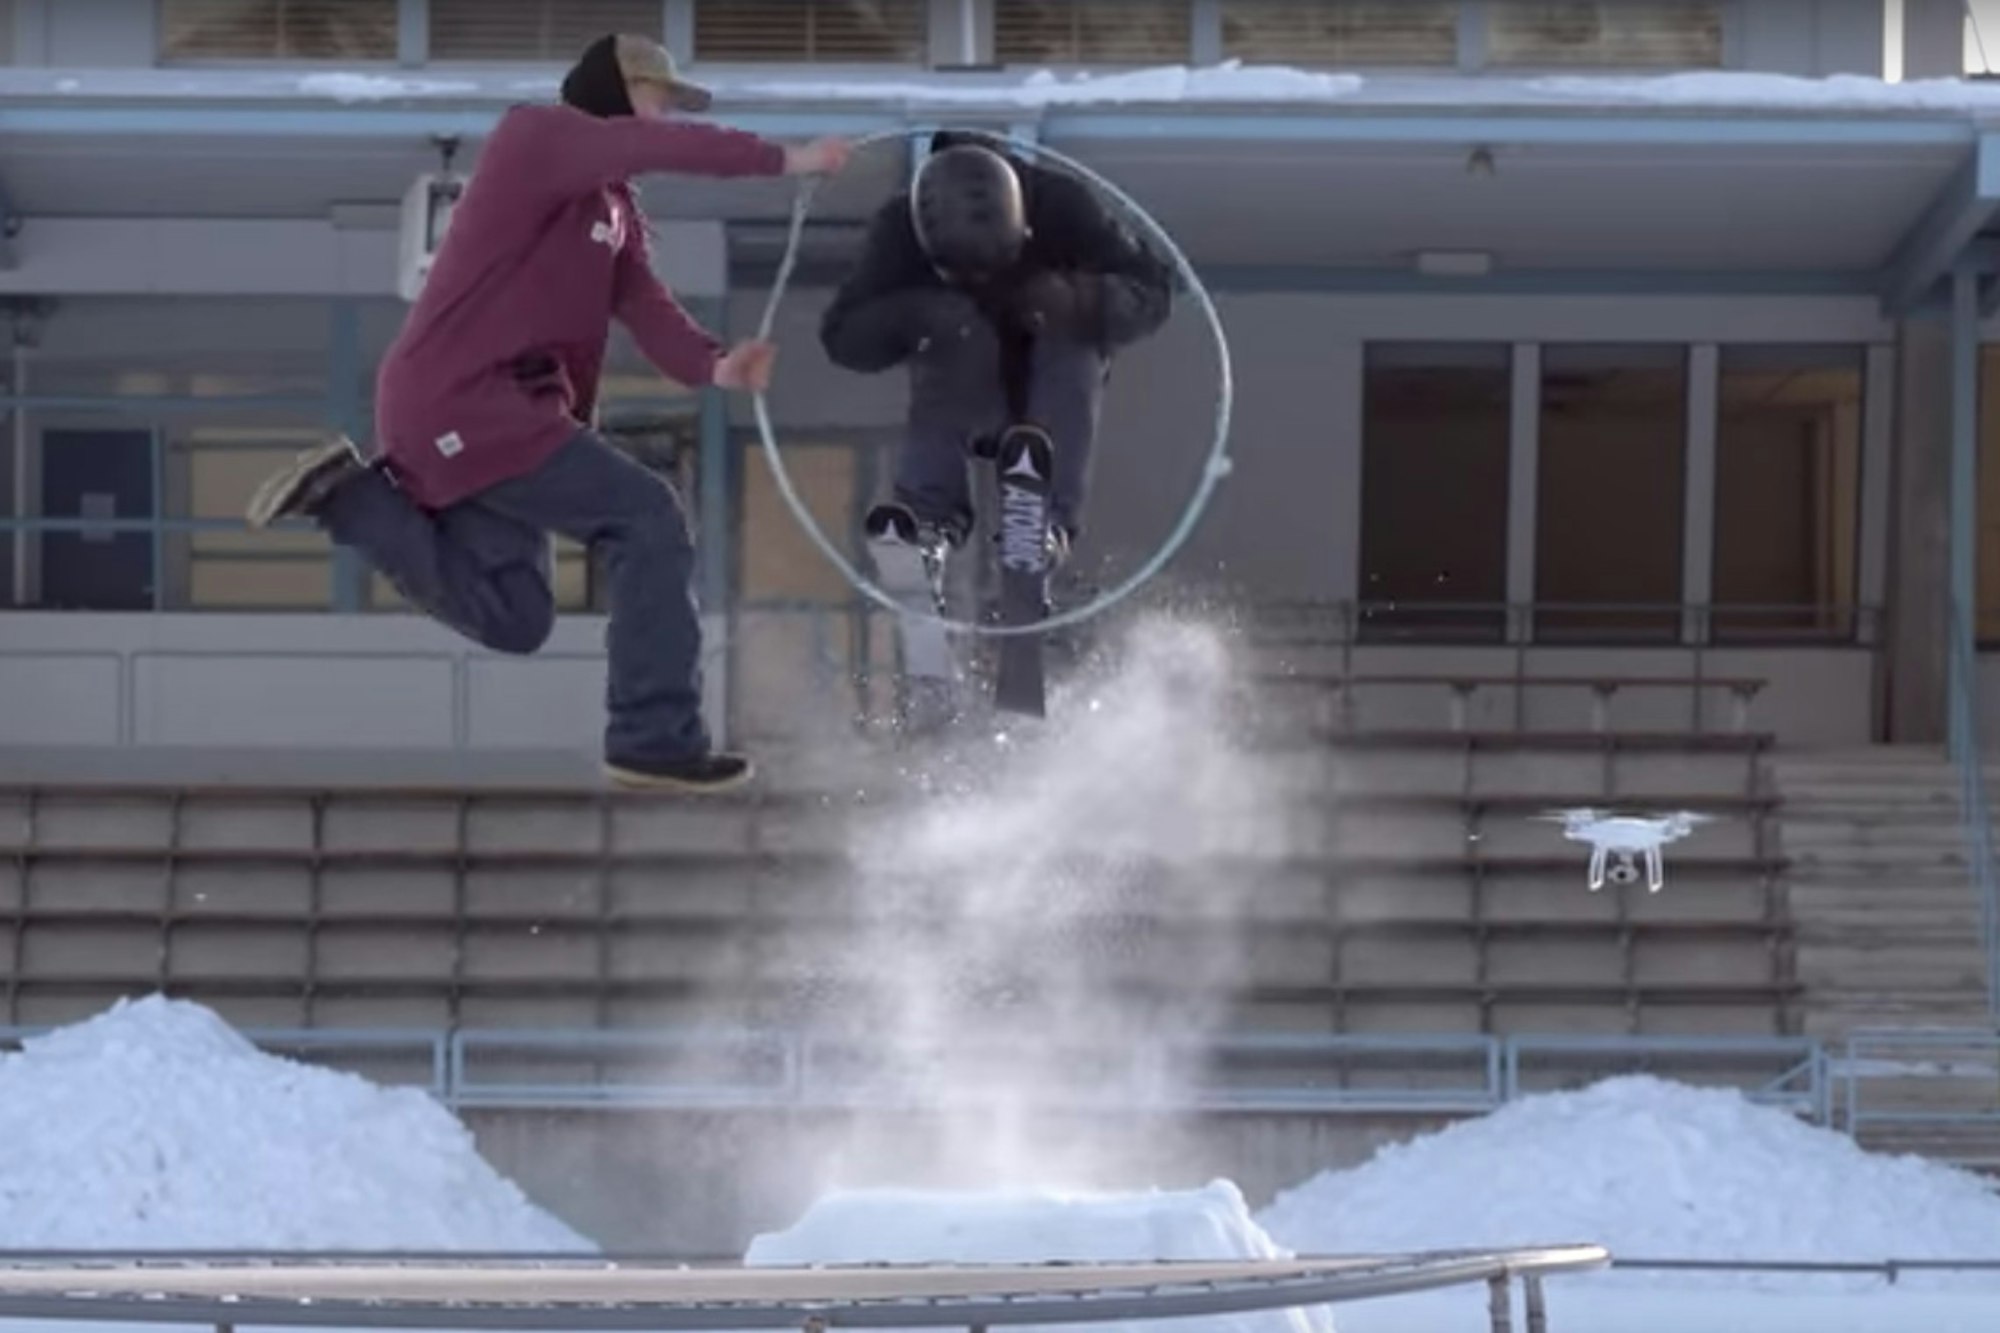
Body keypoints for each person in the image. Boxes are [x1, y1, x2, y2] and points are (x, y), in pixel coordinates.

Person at [244, 33, 850, 793]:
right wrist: (785, 161)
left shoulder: (613, 212)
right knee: (648, 517)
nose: (664, 114)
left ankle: (354, 502)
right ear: (611, 90)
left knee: (517, 620)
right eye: (657, 97)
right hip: (462, 395)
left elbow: (642, 302)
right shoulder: (535, 137)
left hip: (505, 417)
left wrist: (714, 363)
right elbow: (645, 143)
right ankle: (651, 737)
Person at [818, 131, 1173, 565]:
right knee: (954, 334)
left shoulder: (1065, 206)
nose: (982, 282)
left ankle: (1046, 524)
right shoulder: (900, 228)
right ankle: (930, 519)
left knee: (1071, 345)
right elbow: (843, 337)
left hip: (1053, 380)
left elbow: (1151, 291)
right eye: (962, 272)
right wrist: (916, 313)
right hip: (961, 382)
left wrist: (1078, 297)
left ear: (1023, 226)